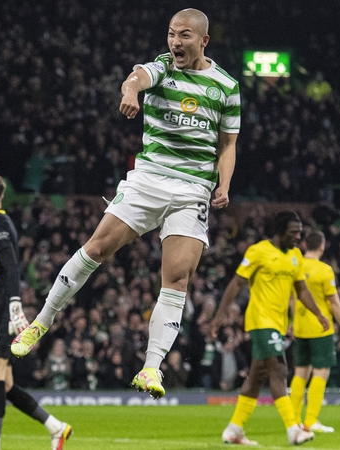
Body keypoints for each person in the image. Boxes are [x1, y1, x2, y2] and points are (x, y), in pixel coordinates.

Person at [12, 8, 240, 401]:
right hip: (149, 179)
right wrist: (130, 91)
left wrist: (225, 183)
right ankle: (41, 322)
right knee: (96, 248)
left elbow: (228, 144)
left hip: (192, 192)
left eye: (184, 36)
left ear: (204, 41)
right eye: (171, 34)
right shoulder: (163, 69)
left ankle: (151, 368)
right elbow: (137, 76)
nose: (175, 42)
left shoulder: (227, 86)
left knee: (178, 280)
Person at [210, 211, 329, 446]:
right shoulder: (258, 251)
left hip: (279, 324)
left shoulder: (295, 256)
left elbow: (302, 289)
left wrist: (318, 313)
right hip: (260, 321)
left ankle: (234, 430)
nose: (298, 237)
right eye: (293, 232)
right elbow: (236, 283)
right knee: (279, 369)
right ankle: (293, 430)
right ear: (279, 231)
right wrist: (219, 316)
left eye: (299, 232)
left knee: (256, 377)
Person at [0, 173, 72, 450]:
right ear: (1, 194)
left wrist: (13, 302)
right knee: (4, 384)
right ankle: (57, 428)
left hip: (1, 310)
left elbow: (12, 266)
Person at [289, 231, 340, 434]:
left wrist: (294, 323)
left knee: (300, 373)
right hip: (321, 329)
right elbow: (335, 303)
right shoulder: (324, 270)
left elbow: (293, 299)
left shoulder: (296, 265)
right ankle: (310, 420)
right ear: (322, 246)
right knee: (321, 372)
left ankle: (293, 420)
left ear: (304, 245)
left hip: (301, 327)